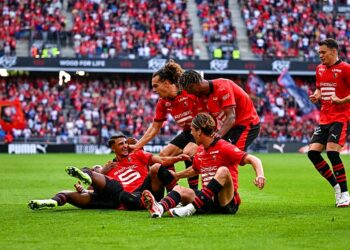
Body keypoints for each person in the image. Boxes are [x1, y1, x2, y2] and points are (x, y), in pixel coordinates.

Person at [141, 113, 266, 218]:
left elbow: (253, 159)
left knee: (223, 170)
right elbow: (195, 170)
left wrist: (260, 175)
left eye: (192, 130)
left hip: (226, 202)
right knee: (179, 189)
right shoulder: (200, 150)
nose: (191, 133)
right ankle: (159, 208)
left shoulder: (224, 146)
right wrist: (177, 175)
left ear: (199, 131)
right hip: (207, 199)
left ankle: (189, 209)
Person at [28, 133, 188, 210]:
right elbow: (94, 190)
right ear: (113, 148)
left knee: (155, 168)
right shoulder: (108, 167)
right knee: (96, 178)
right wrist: (85, 188)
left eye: (126, 143)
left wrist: (178, 158)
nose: (125, 146)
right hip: (120, 198)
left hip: (144, 190)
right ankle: (52, 201)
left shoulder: (138, 154)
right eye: (121, 144)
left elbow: (161, 161)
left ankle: (175, 198)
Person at [130, 60, 205, 189]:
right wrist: (137, 146)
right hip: (188, 132)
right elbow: (154, 127)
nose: (153, 90)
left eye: (155, 86)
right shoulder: (163, 102)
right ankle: (174, 190)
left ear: (166, 83)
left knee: (188, 152)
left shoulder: (189, 92)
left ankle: (193, 192)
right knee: (164, 154)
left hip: (201, 130)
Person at [308, 38, 350, 207]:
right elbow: (319, 87)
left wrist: (341, 100)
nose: (320, 55)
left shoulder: (346, 69)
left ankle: (345, 194)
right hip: (324, 118)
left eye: (323, 52)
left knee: (332, 153)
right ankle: (337, 186)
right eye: (319, 53)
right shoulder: (319, 69)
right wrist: (316, 94)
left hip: (341, 117)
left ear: (334, 51)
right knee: (313, 153)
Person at [179, 70, 260, 151]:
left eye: (191, 91)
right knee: (214, 154)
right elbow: (207, 122)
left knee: (229, 156)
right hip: (229, 127)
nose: (191, 94)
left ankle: (255, 162)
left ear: (194, 85)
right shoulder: (200, 97)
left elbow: (231, 117)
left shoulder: (223, 87)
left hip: (246, 124)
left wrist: (217, 135)